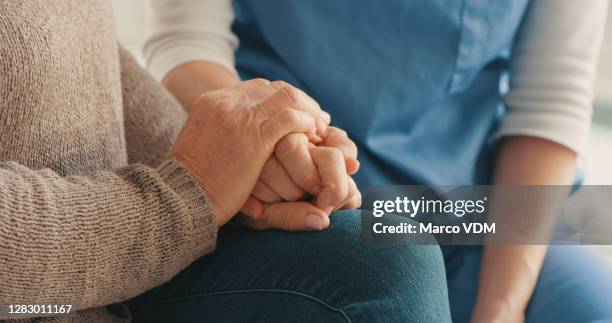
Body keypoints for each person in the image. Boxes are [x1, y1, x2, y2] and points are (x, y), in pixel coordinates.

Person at [144, 0, 612, 322]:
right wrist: (266, 146)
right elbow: (186, 42)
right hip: (306, 197)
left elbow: (549, 102)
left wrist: (501, 308)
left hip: (478, 208)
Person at [0, 1, 450, 322]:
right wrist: (196, 186)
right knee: (389, 251)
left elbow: (92, 62)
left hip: (475, 194)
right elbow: (188, 38)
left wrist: (244, 169)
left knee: (398, 244)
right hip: (43, 296)